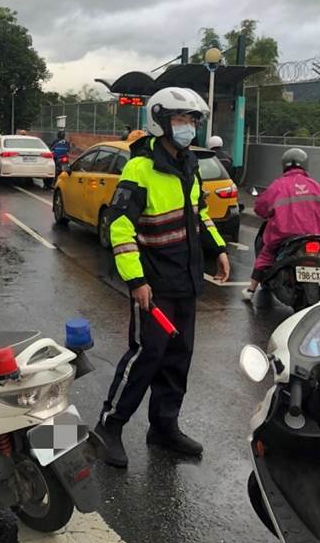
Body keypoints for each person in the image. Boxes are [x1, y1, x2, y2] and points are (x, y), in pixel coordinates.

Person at [94, 87, 230, 468]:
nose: (188, 127)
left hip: (186, 281)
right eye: (181, 119)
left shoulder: (189, 166)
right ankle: (109, 426)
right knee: (146, 355)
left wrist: (218, 249)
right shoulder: (140, 168)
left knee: (178, 357)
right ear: (161, 122)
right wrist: (136, 281)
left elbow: (199, 215)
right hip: (154, 285)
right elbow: (120, 227)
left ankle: (164, 427)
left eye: (192, 121)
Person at [241, 148, 320, 302]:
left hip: (284, 237)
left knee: (265, 255)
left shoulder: (279, 185)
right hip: (312, 236)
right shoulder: (314, 185)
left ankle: (250, 290)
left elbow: (261, 207)